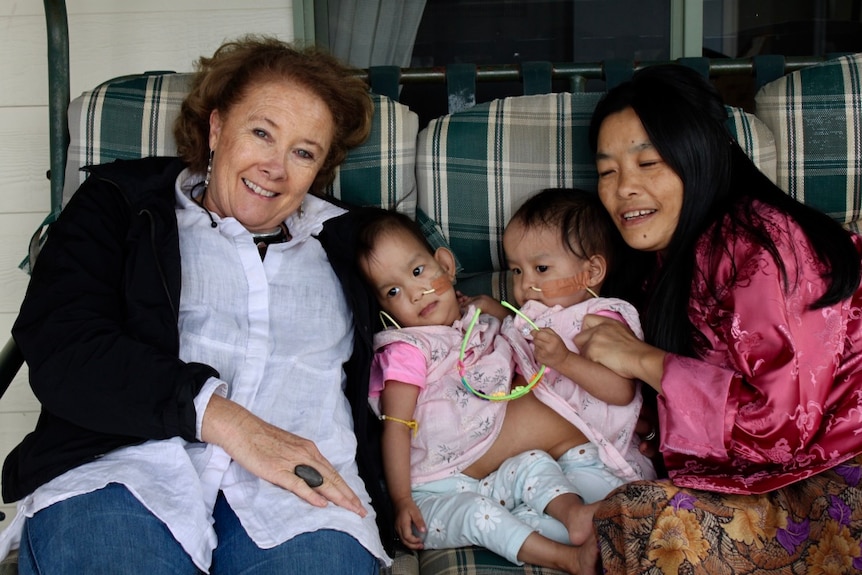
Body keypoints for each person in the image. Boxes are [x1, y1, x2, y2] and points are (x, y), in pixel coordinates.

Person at [0, 36, 392, 574]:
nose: (276, 167)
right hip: (122, 468)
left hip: (302, 495)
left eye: (303, 152)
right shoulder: (121, 205)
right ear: (215, 129)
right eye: (261, 133)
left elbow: (437, 315)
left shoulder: (354, 242)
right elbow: (64, 343)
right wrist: (224, 419)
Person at [575, 63, 862, 574]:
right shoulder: (656, 267)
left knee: (657, 526)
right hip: (781, 477)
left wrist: (641, 358)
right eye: (607, 171)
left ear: (701, 157)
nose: (624, 189)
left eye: (650, 163)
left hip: (843, 464)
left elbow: (777, 428)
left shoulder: (765, 246)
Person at [356, 207, 614, 575]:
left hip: (485, 468)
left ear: (445, 265)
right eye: (394, 291)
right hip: (434, 487)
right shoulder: (408, 349)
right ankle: (566, 558)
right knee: (480, 515)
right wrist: (401, 499)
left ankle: (574, 515)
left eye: (417, 272)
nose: (415, 293)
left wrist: (495, 314)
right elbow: (396, 423)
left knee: (533, 463)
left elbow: (517, 348)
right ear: (385, 310)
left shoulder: (474, 323)